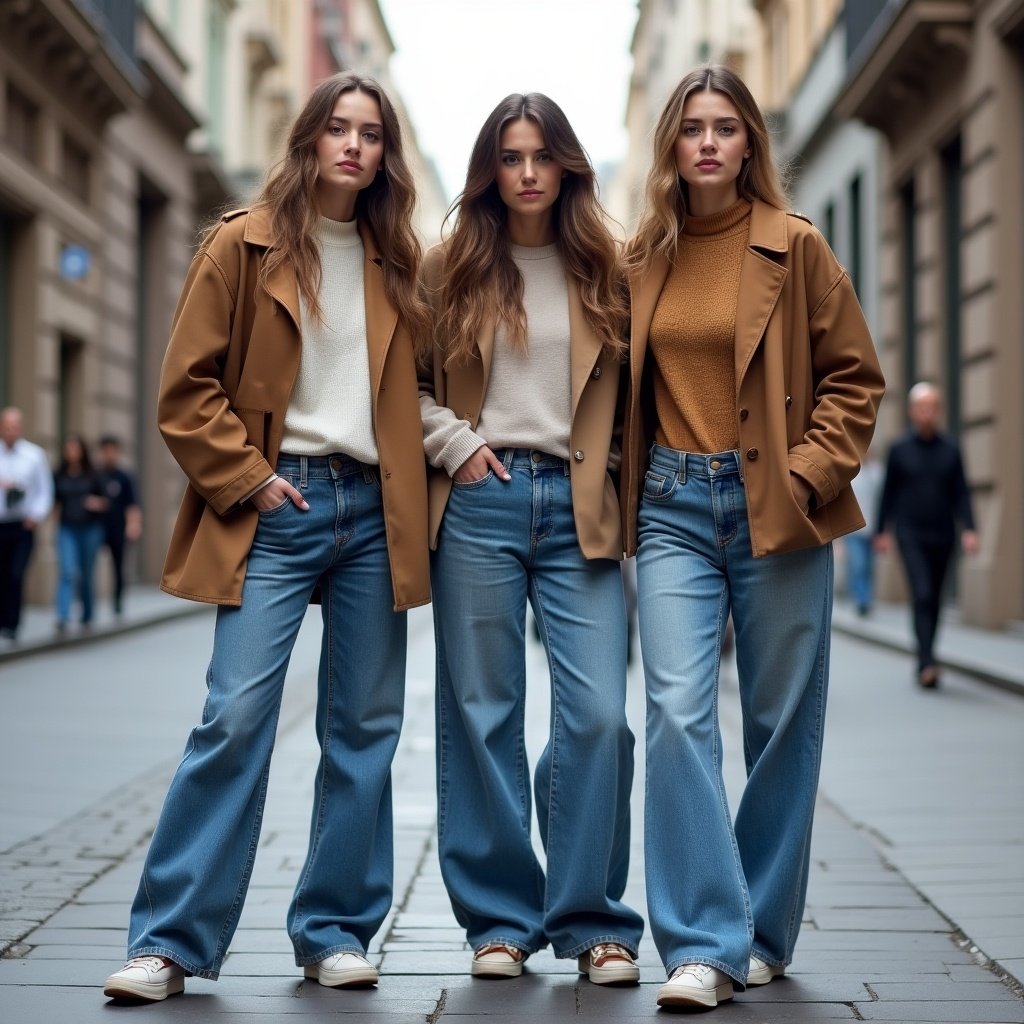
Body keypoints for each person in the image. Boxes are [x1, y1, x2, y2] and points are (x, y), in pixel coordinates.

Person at [102, 71, 430, 1003]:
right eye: (338, 128)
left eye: (371, 132)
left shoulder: (400, 261)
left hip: (374, 515)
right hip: (273, 510)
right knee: (235, 717)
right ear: (309, 139)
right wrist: (250, 477)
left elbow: (432, 391)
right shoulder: (240, 245)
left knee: (364, 729)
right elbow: (186, 388)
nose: (354, 146)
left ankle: (333, 931)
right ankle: (167, 941)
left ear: (385, 153)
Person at [621, 65, 884, 1009]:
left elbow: (856, 379)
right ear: (671, 145)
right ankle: (702, 942)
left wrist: (810, 473)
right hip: (672, 507)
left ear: (749, 145)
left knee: (779, 728)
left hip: (779, 505)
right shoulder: (643, 257)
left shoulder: (797, 246)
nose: (707, 143)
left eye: (725, 128)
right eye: (691, 127)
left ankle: (764, 932)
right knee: (678, 712)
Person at [419, 93, 644, 985]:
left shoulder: (607, 267)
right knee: (483, 714)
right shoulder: (449, 270)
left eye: (541, 157)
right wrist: (458, 445)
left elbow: (636, 392)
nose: (525, 174)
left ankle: (591, 918)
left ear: (567, 167)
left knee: (597, 718)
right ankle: (499, 921)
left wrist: (625, 482)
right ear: (490, 169)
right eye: (510, 157)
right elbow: (402, 383)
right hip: (481, 498)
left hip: (579, 504)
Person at [875, 382, 978, 688]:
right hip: (910, 533)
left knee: (934, 597)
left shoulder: (952, 449)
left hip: (943, 533)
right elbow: (888, 493)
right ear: (911, 412)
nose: (927, 413)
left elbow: (962, 492)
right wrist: (882, 530)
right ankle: (926, 663)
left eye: (932, 407)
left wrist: (970, 528)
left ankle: (928, 653)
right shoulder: (899, 450)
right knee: (921, 593)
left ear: (939, 411)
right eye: (922, 407)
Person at [0, 406, 53, 642]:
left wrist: (35, 515)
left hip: (23, 525)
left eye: (14, 426)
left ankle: (12, 624)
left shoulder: (34, 455)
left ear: (20, 428)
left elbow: (45, 491)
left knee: (15, 573)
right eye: (6, 426)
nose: (10, 431)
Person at [52, 434, 107, 632]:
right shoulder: (59, 474)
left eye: (76, 448)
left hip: (90, 528)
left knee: (86, 573)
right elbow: (55, 502)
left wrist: (96, 503)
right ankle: (63, 616)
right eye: (69, 449)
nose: (72, 452)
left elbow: (106, 502)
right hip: (67, 528)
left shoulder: (93, 475)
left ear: (82, 451)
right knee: (67, 571)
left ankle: (87, 614)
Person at [97, 435, 142, 615]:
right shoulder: (96, 475)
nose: (109, 455)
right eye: (106, 451)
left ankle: (117, 600)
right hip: (98, 528)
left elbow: (132, 504)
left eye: (112, 451)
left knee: (118, 566)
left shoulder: (124, 477)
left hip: (118, 528)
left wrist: (133, 525)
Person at [844, 447, 883, 615]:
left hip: (872, 530)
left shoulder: (877, 473)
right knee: (858, 565)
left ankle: (866, 597)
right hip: (854, 531)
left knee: (869, 567)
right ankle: (861, 600)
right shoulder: (850, 474)